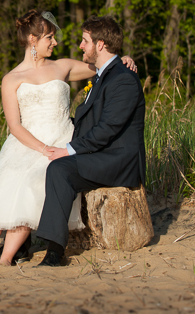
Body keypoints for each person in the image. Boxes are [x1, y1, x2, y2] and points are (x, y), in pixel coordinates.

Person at [0, 10, 137, 266]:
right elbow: (14, 125)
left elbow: (104, 65)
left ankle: (6, 258)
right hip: (27, 142)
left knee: (31, 183)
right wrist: (41, 147)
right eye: (50, 37)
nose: (55, 42)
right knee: (4, 186)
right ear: (33, 40)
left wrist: (124, 58)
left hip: (60, 138)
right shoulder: (11, 78)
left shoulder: (63, 66)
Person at [35, 15, 146, 267]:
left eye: (85, 41)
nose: (80, 46)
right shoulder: (103, 75)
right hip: (100, 155)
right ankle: (30, 243)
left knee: (60, 168)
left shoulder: (123, 79)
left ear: (101, 44)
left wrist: (69, 150)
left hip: (118, 160)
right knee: (48, 165)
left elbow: (108, 129)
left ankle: (54, 251)